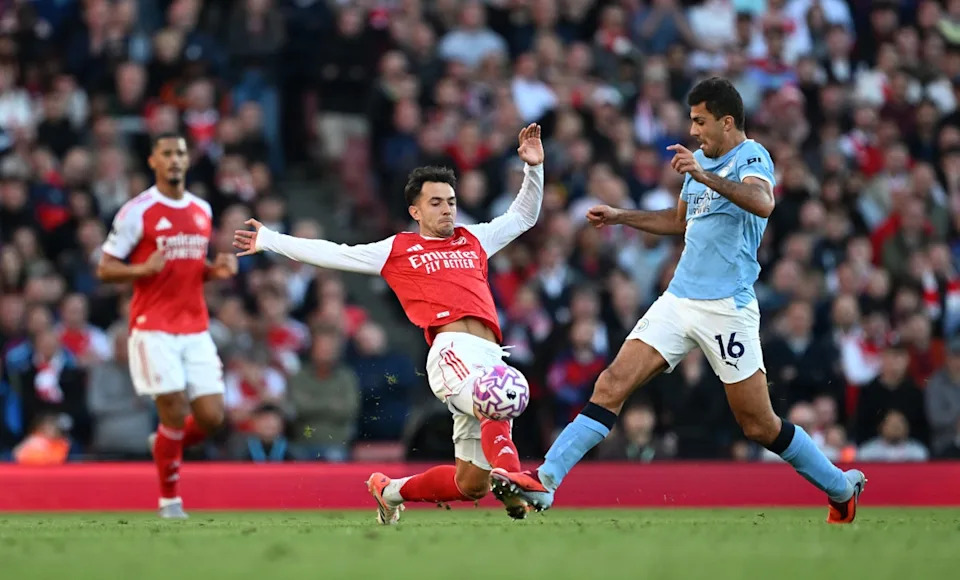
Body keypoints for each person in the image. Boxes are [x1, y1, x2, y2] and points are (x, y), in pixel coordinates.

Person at [493, 78, 867, 524]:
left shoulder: (751, 157)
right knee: (611, 384)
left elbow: (763, 202)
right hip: (679, 299)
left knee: (758, 424)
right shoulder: (701, 161)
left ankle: (840, 487)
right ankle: (546, 481)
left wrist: (703, 174)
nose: (694, 131)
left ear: (727, 122)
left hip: (727, 307)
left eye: (700, 121)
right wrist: (620, 216)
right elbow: (678, 221)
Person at [234, 124, 545, 523]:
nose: (447, 209)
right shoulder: (397, 249)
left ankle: (389, 491)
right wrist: (271, 240)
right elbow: (334, 253)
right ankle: (515, 479)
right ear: (415, 211)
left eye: (450, 201)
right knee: (501, 396)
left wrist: (533, 168)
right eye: (436, 203)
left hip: (489, 355)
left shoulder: (475, 239)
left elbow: (524, 216)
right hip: (451, 353)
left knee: (472, 485)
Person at [97, 133, 238, 519]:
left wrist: (214, 271)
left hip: (195, 326)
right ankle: (169, 500)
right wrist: (142, 269)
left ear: (188, 160)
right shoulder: (137, 211)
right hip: (153, 326)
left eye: (180, 153)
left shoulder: (202, 210)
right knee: (174, 410)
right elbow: (105, 266)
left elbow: (188, 271)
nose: (175, 159)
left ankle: (163, 444)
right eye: (167, 154)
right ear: (153, 161)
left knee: (211, 417)